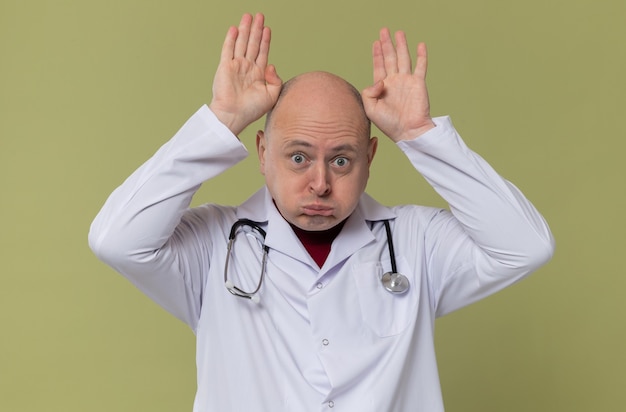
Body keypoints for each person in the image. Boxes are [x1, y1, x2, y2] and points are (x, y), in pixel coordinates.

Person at [89, 12, 554, 412]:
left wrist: (420, 135)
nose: (320, 183)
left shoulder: (416, 241)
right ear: (262, 151)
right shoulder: (215, 245)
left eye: (341, 159)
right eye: (298, 157)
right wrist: (221, 120)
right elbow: (116, 239)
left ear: (370, 158)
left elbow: (526, 247)